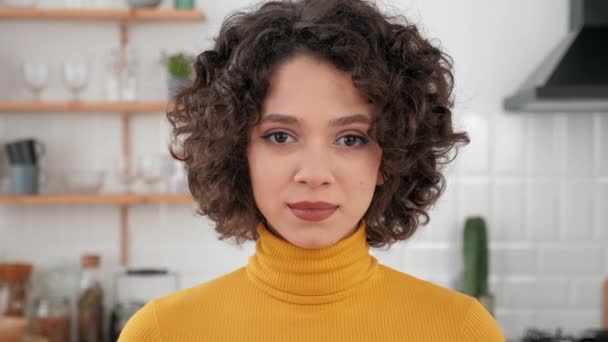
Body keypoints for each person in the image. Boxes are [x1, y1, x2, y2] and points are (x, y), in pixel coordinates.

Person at [119, 0, 505, 340]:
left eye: (351, 138)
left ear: (391, 157)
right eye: (281, 136)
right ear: (239, 152)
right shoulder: (159, 333)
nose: (315, 174)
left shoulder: (461, 331)